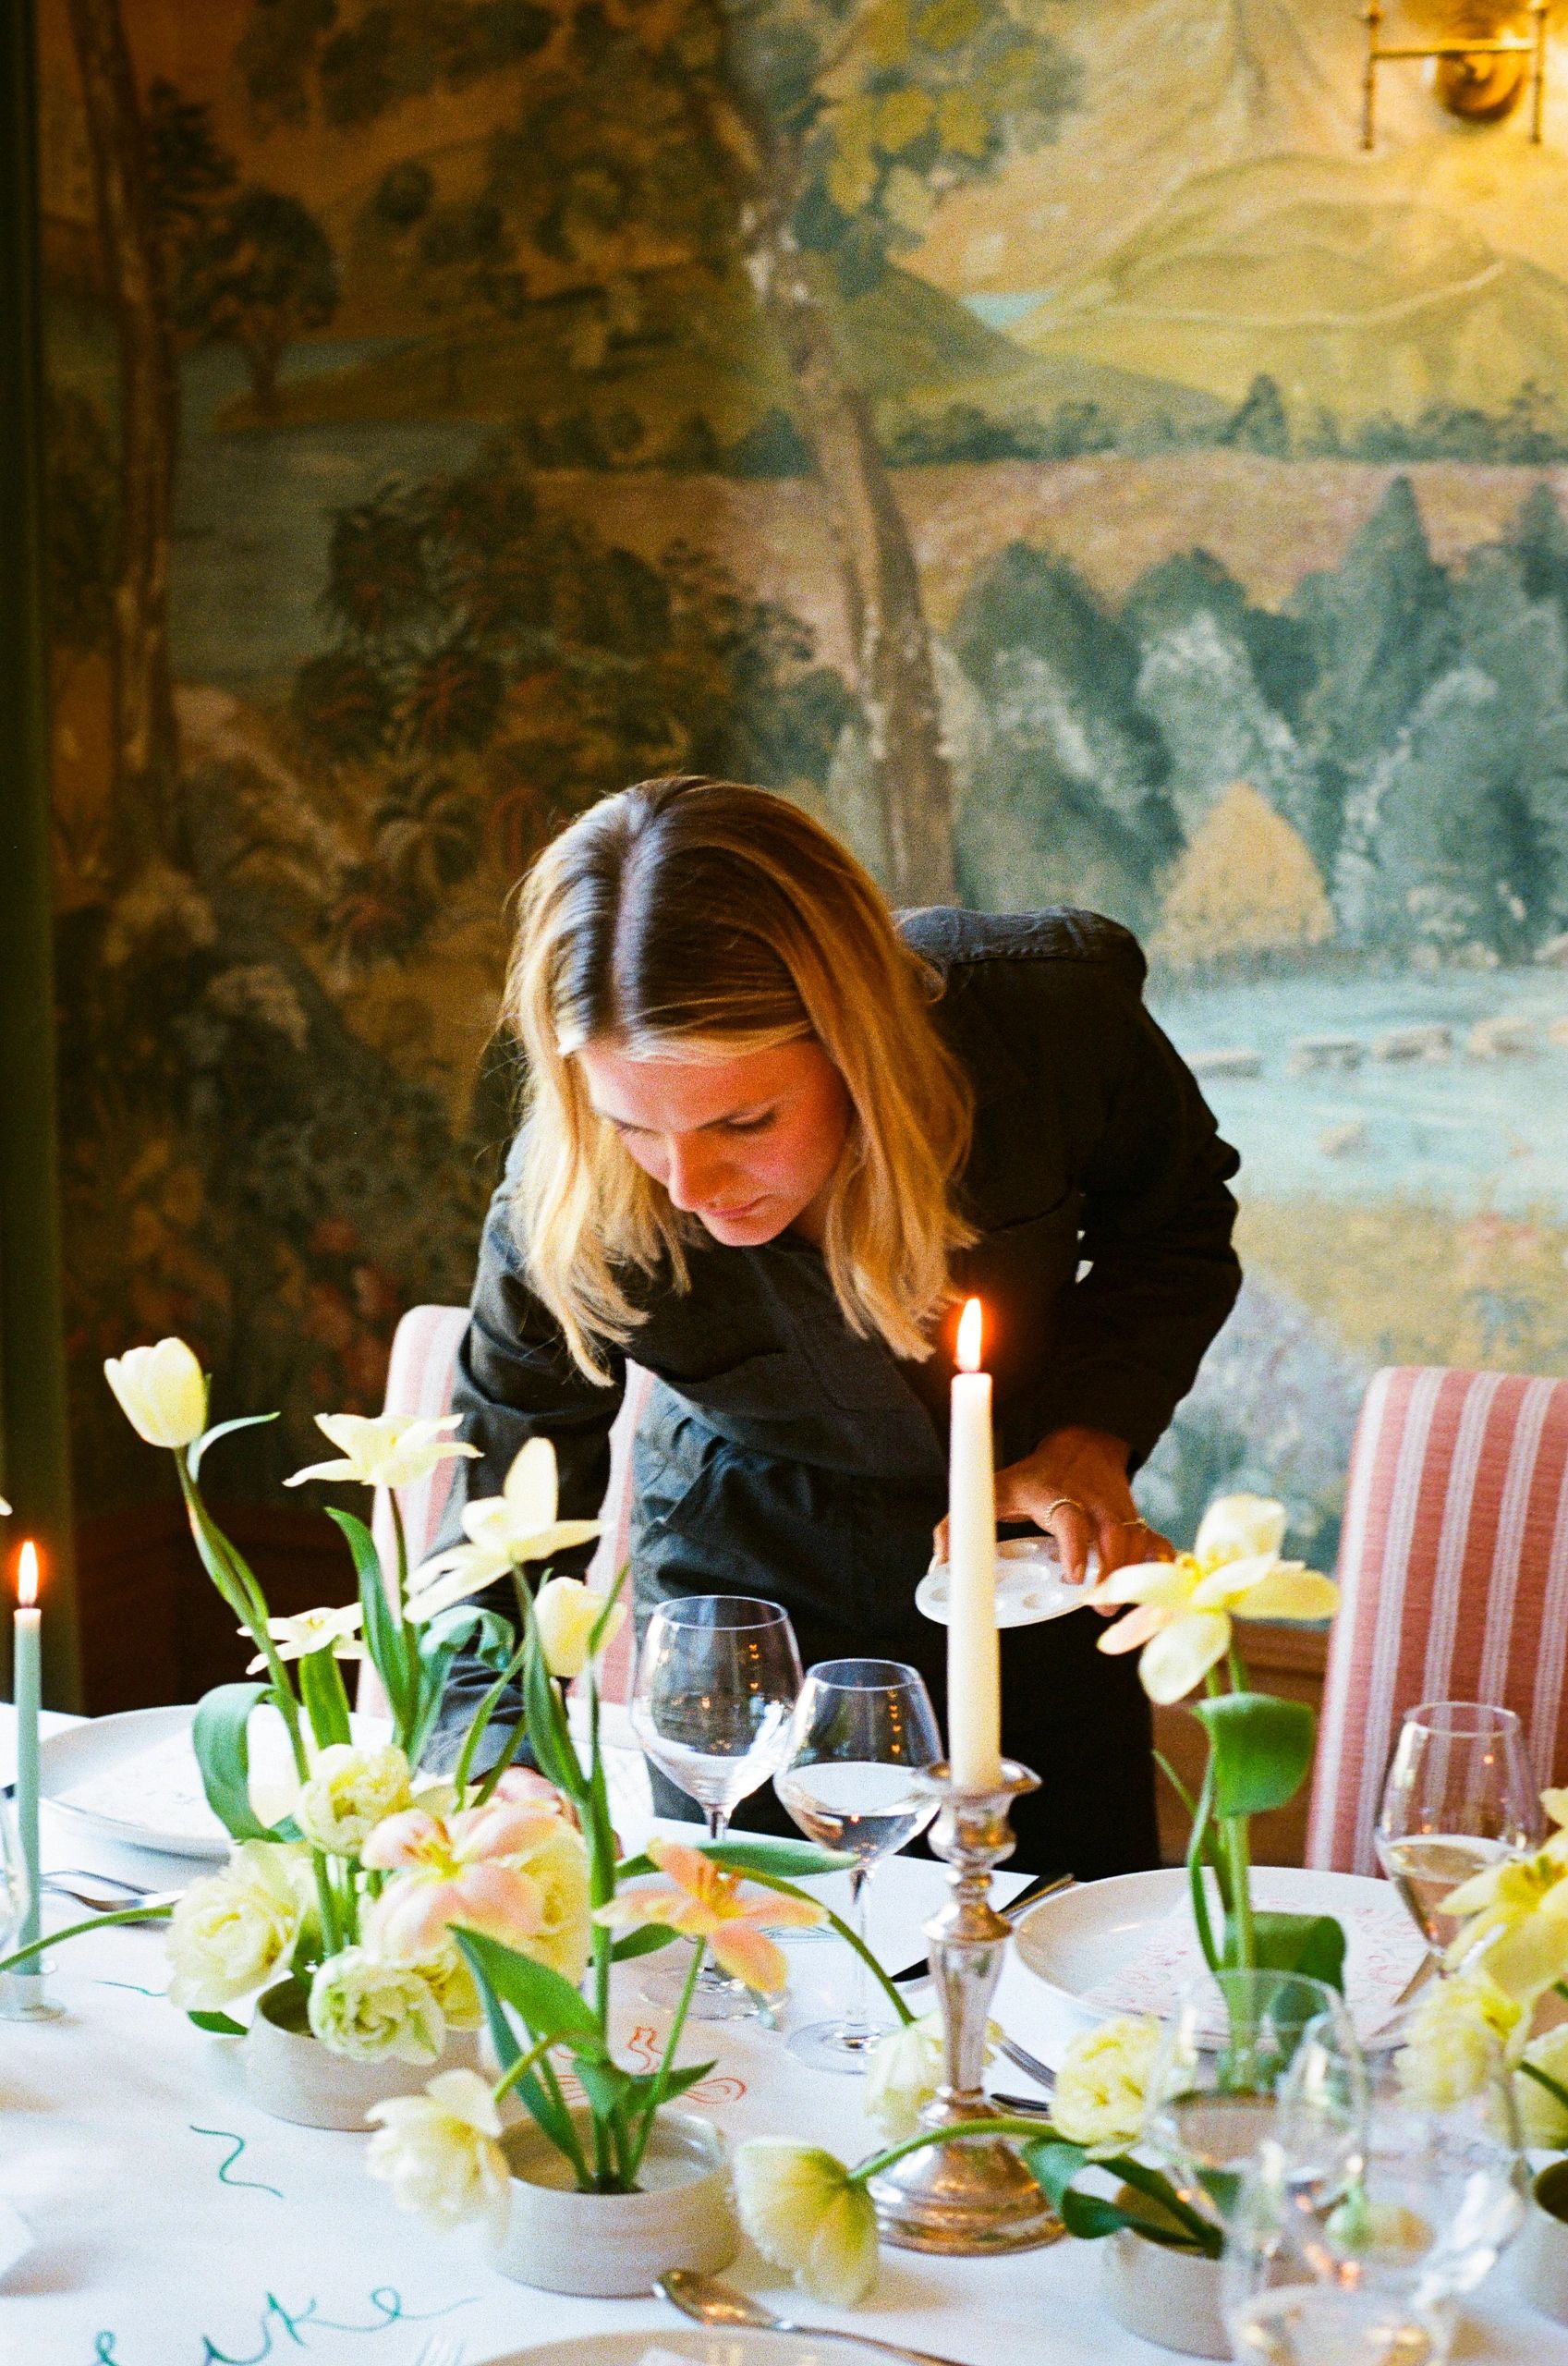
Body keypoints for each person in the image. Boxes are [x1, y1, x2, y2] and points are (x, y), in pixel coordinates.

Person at [432, 774, 1241, 1878]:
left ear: (857, 1043)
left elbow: (1175, 1227)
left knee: (1052, 1953)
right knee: (764, 1966)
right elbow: (502, 1500)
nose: (688, 1187)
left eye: (744, 1121)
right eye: (634, 1127)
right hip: (741, 1613)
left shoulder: (1047, 1021)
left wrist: (1087, 1432)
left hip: (1022, 1585)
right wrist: (496, 1762)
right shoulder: (563, 1188)